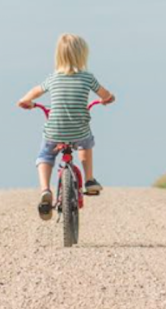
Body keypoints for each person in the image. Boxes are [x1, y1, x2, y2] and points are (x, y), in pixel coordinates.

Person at [17, 33, 116, 220]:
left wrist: (26, 101)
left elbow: (35, 92)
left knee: (45, 155)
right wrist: (107, 99)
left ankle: (45, 189)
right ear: (83, 55)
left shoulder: (53, 78)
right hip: (79, 130)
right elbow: (106, 94)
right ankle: (89, 180)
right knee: (86, 143)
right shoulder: (88, 78)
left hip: (55, 130)